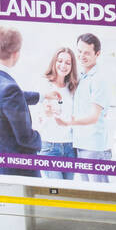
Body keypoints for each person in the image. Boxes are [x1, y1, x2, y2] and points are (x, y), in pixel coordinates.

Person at [0, 27, 41, 178]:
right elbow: (25, 138)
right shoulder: (10, 89)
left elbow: (8, 97)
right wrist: (40, 137)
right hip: (18, 169)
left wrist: (42, 96)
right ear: (16, 54)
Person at [56, 33, 112, 182]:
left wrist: (69, 122)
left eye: (86, 52)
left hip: (94, 147)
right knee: (88, 192)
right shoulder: (80, 76)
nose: (81, 56)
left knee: (99, 194)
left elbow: (94, 116)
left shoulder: (99, 79)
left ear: (97, 54)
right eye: (79, 51)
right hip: (80, 145)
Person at [37, 47, 79, 181]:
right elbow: (34, 114)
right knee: (56, 187)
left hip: (70, 148)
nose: (63, 65)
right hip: (49, 147)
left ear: (72, 66)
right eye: (60, 61)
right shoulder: (44, 84)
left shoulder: (73, 87)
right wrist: (45, 113)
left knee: (66, 190)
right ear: (54, 62)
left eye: (68, 62)